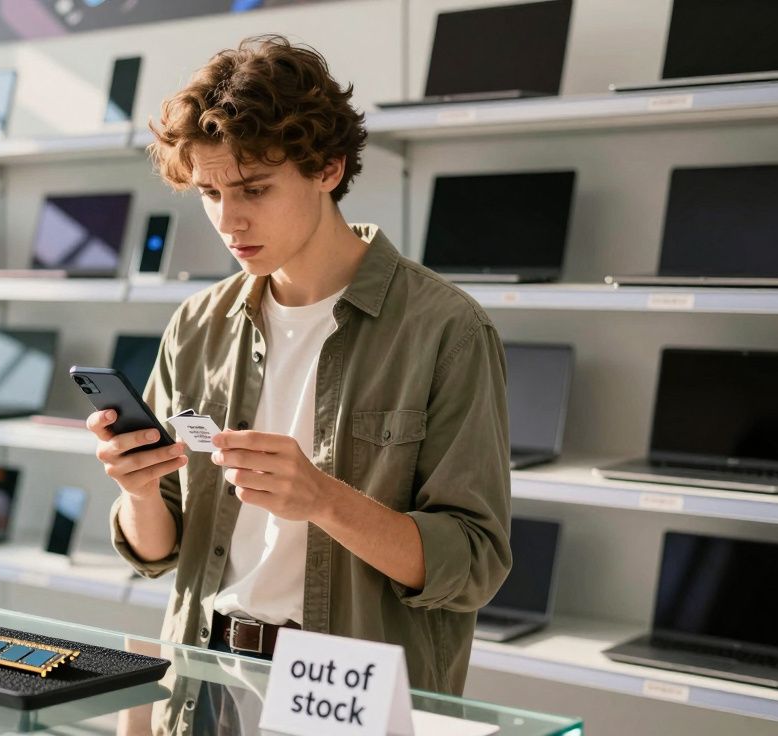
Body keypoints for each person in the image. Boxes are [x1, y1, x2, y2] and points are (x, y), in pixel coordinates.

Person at [86, 34, 511, 719]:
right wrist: (137, 492)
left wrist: (323, 499)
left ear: (328, 168)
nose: (229, 219)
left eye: (254, 188)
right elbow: (157, 552)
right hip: (204, 676)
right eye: (210, 192)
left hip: (346, 689)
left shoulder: (446, 329)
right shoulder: (197, 325)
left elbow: (473, 565)